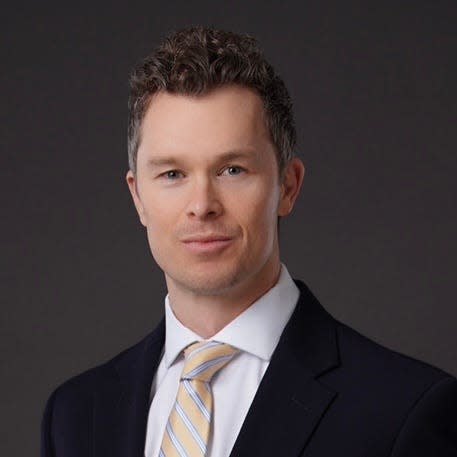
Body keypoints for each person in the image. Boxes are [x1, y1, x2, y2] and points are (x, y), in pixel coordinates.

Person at [41, 26, 457, 457]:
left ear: (288, 186)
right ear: (137, 197)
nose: (202, 205)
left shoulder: (403, 410)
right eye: (172, 174)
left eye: (232, 170)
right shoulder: (75, 414)